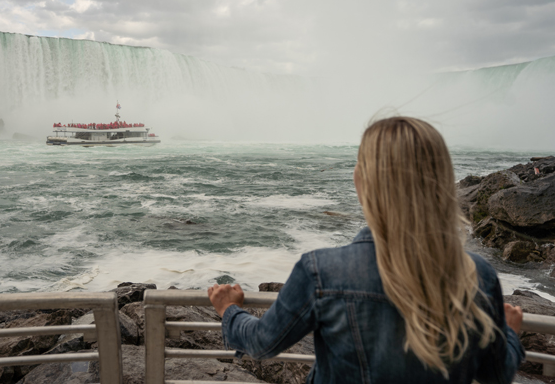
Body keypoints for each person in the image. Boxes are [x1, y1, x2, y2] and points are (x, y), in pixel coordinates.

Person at [209, 116, 525, 383]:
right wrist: (509, 333)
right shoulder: (478, 276)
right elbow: (496, 375)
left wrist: (229, 310)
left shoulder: (321, 272)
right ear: (442, 184)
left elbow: (263, 342)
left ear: (360, 182)